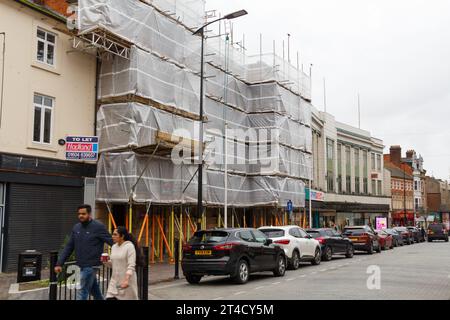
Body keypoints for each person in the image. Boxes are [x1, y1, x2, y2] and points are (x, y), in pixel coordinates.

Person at [55, 204, 113, 300]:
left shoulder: (98, 227)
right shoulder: (76, 228)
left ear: (89, 214)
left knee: (82, 291)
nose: (80, 216)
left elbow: (112, 242)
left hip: (92, 265)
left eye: (83, 214)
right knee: (95, 292)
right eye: (79, 214)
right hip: (81, 265)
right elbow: (69, 246)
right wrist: (59, 263)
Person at [105, 226, 140, 300]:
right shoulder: (114, 247)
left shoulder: (129, 247)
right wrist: (105, 261)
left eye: (115, 234)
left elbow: (131, 265)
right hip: (114, 282)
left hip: (127, 282)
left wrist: (126, 280)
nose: (112, 236)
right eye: (112, 234)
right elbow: (113, 264)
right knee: (109, 298)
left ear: (122, 236)